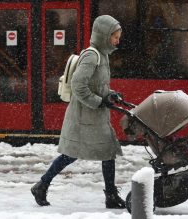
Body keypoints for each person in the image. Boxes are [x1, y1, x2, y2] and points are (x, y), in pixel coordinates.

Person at [31, 15, 125, 209]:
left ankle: (110, 195)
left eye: (118, 36)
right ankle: (42, 185)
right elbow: (78, 85)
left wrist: (110, 94)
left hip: (95, 115)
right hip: (84, 116)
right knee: (72, 153)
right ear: (104, 35)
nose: (117, 40)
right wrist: (99, 101)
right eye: (114, 36)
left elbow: (97, 85)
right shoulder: (92, 56)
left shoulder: (104, 55)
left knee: (105, 152)